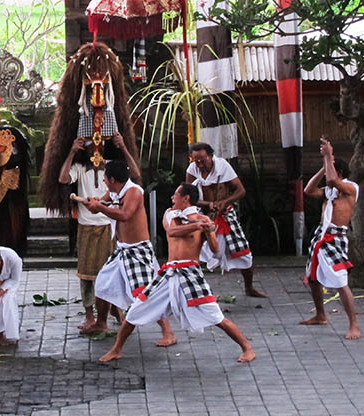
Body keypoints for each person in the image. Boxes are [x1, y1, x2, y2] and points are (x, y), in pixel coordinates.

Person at [99, 184, 255, 364]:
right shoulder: (171, 214)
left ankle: (247, 347)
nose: (172, 198)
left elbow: (216, 252)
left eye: (176, 195)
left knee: (215, 316)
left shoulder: (203, 219)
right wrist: (197, 225)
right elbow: (172, 231)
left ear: (186, 198)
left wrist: (210, 232)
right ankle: (116, 349)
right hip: (168, 272)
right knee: (136, 309)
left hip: (190, 273)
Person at [83, 161, 176, 346]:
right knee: (102, 282)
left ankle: (168, 332)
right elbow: (103, 201)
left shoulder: (134, 191)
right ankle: (101, 322)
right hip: (122, 250)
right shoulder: (115, 191)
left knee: (144, 292)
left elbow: (125, 214)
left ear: (111, 179)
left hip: (137, 251)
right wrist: (94, 203)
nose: (104, 182)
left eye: (105, 179)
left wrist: (99, 207)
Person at [58, 133, 140, 331]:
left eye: (99, 144)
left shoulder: (112, 166)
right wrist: (71, 151)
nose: (94, 148)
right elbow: (62, 178)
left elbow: (135, 174)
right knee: (86, 273)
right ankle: (89, 315)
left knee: (112, 272)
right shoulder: (79, 168)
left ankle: (115, 309)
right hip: (86, 224)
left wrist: (123, 147)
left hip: (109, 225)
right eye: (89, 144)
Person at [186, 142, 266, 297]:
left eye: (203, 159)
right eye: (196, 160)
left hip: (225, 215)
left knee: (244, 253)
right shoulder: (192, 170)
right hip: (203, 217)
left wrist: (225, 202)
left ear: (210, 155)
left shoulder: (223, 167)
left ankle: (249, 287)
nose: (200, 164)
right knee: (195, 253)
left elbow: (240, 190)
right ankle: (194, 291)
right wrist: (208, 204)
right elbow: (189, 197)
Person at [300, 137, 361, 339]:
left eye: (331, 169)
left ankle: (354, 325)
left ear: (340, 172)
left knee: (341, 282)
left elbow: (334, 179)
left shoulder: (350, 188)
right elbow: (308, 190)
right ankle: (320, 315)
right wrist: (323, 168)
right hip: (321, 238)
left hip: (336, 239)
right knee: (314, 279)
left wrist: (328, 155)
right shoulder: (330, 191)